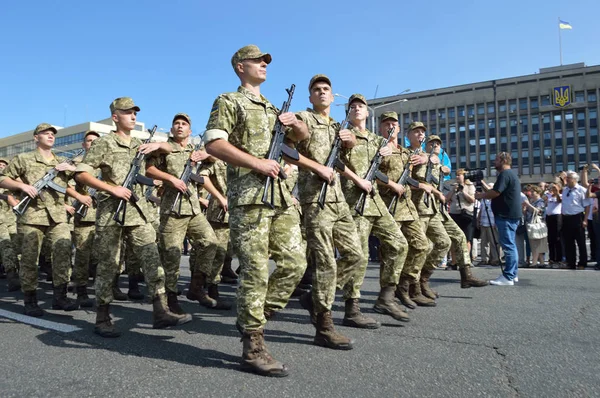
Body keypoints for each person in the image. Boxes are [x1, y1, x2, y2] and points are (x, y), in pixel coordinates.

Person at [204, 45, 333, 377]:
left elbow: (297, 143)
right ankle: (253, 345)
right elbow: (214, 144)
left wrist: (296, 125)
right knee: (255, 271)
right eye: (258, 61)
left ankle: (257, 313)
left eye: (266, 62)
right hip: (249, 198)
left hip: (279, 197)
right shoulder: (228, 101)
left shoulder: (273, 107)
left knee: (295, 263)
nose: (264, 65)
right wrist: (257, 163)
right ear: (239, 67)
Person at [75, 97, 192, 337]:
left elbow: (171, 149)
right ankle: (102, 316)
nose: (133, 116)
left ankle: (161, 311)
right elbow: (82, 175)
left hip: (138, 212)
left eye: (135, 112)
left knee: (152, 259)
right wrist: (112, 188)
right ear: (115, 117)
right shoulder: (105, 143)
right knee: (109, 264)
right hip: (111, 213)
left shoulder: (140, 144)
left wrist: (157, 146)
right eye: (127, 112)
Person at [295, 75, 381, 350]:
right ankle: (324, 325)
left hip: (338, 199)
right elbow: (285, 150)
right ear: (310, 97)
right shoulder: (303, 118)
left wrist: (349, 146)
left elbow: (341, 164)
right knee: (326, 263)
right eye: (316, 90)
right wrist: (316, 167)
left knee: (356, 255)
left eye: (326, 90)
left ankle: (315, 298)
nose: (321, 93)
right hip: (315, 199)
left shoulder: (339, 126)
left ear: (333, 98)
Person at [339, 94, 410, 319]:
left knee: (399, 244)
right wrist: (357, 179)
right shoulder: (343, 133)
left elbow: (386, 170)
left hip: (375, 201)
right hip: (354, 200)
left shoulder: (377, 140)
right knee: (360, 256)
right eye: (353, 107)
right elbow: (335, 162)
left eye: (361, 106)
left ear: (368, 113)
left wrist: (390, 150)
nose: (357, 109)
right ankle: (352, 308)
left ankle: (386, 298)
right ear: (348, 112)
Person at [145, 113, 225, 315]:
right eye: (176, 124)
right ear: (172, 129)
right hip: (172, 210)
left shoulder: (195, 149)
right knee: (171, 255)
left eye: (184, 124)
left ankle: (196, 287)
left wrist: (205, 155)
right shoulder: (163, 148)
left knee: (210, 243)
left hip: (193, 210)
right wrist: (170, 179)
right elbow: (149, 170)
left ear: (190, 130)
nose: (180, 126)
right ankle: (170, 299)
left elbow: (216, 156)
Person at [0, 123, 83, 315]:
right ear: (36, 137)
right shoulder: (24, 158)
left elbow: (80, 177)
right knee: (30, 259)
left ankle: (60, 297)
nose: (50, 136)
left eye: (53, 134)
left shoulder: (63, 160)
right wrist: (22, 187)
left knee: (63, 252)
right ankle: (30, 300)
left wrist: (68, 166)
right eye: (46, 133)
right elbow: (3, 178)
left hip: (57, 217)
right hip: (32, 216)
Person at [377, 112, 430, 309]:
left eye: (393, 124)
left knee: (421, 246)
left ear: (399, 129)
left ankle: (404, 285)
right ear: (381, 128)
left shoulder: (405, 153)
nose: (390, 127)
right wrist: (391, 184)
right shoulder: (379, 148)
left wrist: (424, 159)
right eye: (386, 124)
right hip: (388, 205)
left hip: (408, 206)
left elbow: (417, 172)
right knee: (391, 251)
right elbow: (372, 172)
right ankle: (386, 295)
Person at [405, 123, 451, 302]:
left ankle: (423, 280)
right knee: (420, 248)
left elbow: (438, 176)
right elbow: (404, 178)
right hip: (415, 207)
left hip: (430, 207)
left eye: (422, 132)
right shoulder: (406, 153)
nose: (420, 134)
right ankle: (413, 287)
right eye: (416, 131)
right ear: (408, 135)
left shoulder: (430, 156)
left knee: (443, 242)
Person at [475, 152, 522, 285]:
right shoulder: (511, 174)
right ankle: (513, 274)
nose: (494, 162)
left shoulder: (505, 174)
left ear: (503, 160)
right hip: (510, 214)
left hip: (506, 215)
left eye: (496, 160)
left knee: (508, 245)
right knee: (511, 244)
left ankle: (508, 277)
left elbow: (496, 192)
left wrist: (481, 196)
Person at [70, 130, 101, 307]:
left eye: (95, 141)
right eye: (89, 141)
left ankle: (103, 288)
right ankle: (81, 290)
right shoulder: (75, 164)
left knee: (103, 255)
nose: (92, 143)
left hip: (104, 215)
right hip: (84, 215)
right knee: (82, 255)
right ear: (84, 145)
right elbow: (64, 185)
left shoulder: (104, 162)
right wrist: (79, 196)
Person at [560, 171, 590, 269]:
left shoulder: (581, 190)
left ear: (574, 179)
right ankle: (571, 262)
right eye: (567, 178)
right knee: (568, 242)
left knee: (580, 241)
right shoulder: (565, 190)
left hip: (577, 217)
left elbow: (587, 205)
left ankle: (582, 262)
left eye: (569, 178)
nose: (567, 179)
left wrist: (585, 219)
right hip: (566, 218)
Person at [446, 169, 476, 266]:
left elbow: (472, 200)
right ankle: (454, 261)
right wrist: (453, 190)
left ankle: (465, 261)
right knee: (454, 239)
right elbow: (446, 199)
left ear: (464, 176)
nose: (457, 177)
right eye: (456, 175)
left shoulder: (470, 186)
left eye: (459, 175)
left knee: (467, 238)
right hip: (455, 213)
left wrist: (463, 191)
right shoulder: (453, 186)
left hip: (467, 214)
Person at [0, 158, 21, 292]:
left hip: (11, 219)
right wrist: (6, 198)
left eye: (4, 165)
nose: (1, 166)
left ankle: (18, 273)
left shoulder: (9, 182)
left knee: (17, 245)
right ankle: (12, 276)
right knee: (6, 245)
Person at [523, 186, 548, 267]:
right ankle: (541, 262)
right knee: (536, 243)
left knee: (535, 243)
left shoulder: (540, 202)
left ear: (538, 193)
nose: (531, 193)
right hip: (531, 223)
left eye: (533, 192)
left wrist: (528, 204)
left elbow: (538, 211)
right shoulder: (532, 201)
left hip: (537, 224)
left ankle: (534, 262)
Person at [545, 183, 563, 267]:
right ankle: (551, 258)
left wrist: (557, 192)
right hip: (549, 217)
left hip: (557, 217)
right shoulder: (549, 196)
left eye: (555, 188)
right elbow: (543, 198)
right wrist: (548, 189)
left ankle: (558, 258)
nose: (553, 189)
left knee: (557, 238)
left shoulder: (561, 195)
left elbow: (559, 200)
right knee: (550, 239)